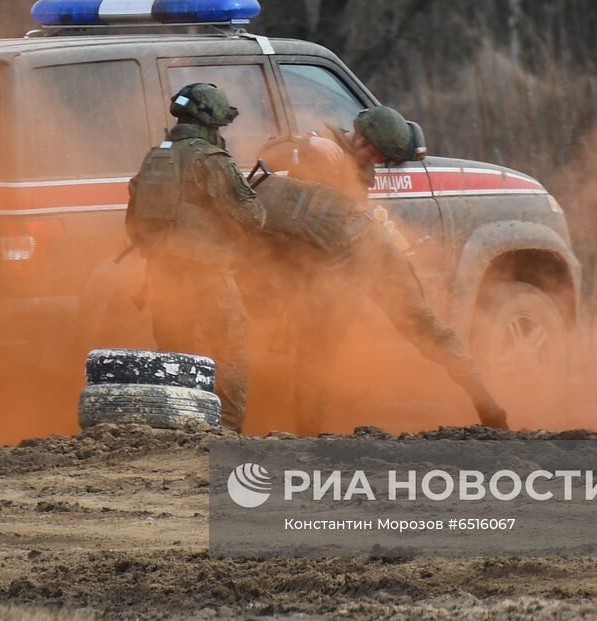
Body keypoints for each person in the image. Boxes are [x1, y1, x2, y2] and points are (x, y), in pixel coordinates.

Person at [254, 106, 509, 432]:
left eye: (381, 157)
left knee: (422, 327)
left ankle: (488, 406)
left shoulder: (332, 156)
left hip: (358, 251)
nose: (375, 160)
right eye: (374, 152)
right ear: (360, 135)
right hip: (347, 252)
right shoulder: (324, 152)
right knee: (317, 350)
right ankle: (308, 432)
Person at [125, 83, 265, 432]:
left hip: (162, 275)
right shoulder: (208, 159)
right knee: (230, 347)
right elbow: (252, 216)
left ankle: (179, 428)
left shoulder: (155, 156)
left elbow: (133, 220)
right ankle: (229, 428)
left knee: (175, 352)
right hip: (206, 273)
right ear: (210, 123)